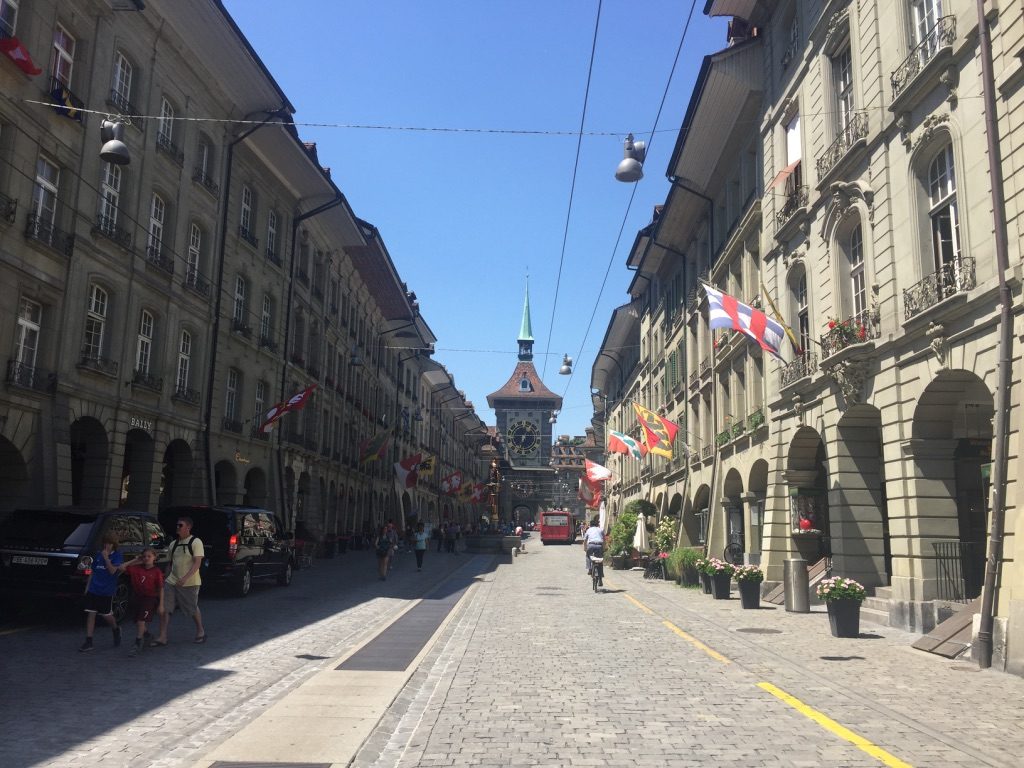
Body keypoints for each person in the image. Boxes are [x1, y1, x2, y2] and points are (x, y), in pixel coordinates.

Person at [152, 516, 205, 646]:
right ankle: (162, 636)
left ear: (188, 527)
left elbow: (197, 563)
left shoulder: (196, 542)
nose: (177, 527)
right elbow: (170, 563)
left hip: (190, 582)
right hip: (172, 581)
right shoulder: (173, 544)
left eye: (180, 525)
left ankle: (200, 631)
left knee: (191, 608)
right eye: (177, 525)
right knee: (165, 608)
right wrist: (165, 577)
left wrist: (185, 578)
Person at [79, 532, 123, 652]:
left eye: (109, 543)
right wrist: (87, 587)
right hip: (94, 589)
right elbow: (93, 572)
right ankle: (89, 641)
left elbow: (113, 571)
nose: (106, 545)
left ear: (113, 544)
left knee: (106, 614)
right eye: (105, 543)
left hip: (106, 591)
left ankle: (115, 628)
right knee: (91, 613)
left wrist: (106, 558)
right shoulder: (98, 555)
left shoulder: (117, 555)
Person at [120, 546, 165, 656]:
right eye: (144, 556)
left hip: (150, 598)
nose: (146, 558)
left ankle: (137, 643)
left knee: (141, 621)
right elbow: (121, 568)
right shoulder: (137, 568)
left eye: (149, 556)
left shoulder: (156, 571)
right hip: (138, 597)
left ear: (154, 557)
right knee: (138, 621)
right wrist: (136, 560)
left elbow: (160, 588)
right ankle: (147, 636)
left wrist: (161, 604)